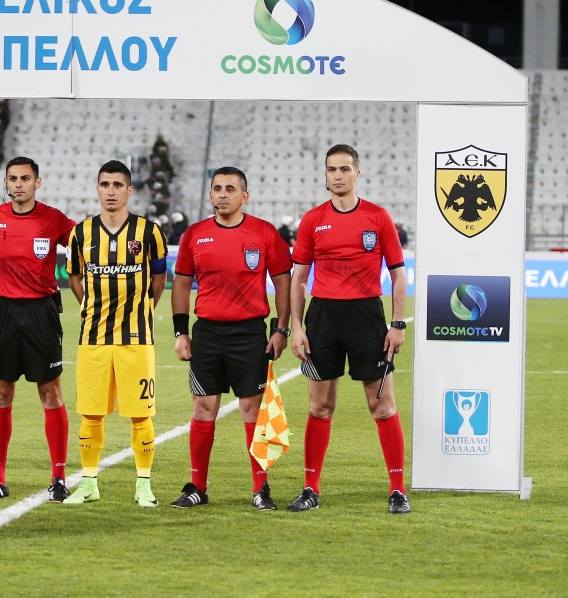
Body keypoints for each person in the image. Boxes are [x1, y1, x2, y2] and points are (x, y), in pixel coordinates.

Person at [287, 144, 411, 514]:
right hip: (323, 318)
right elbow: (299, 279)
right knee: (320, 406)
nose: (338, 175)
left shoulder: (378, 217)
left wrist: (397, 324)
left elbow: (398, 274)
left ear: (357, 173)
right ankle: (310, 489)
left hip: (367, 316)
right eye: (332, 169)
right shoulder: (313, 220)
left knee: (382, 406)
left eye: (344, 169)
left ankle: (397, 490)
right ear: (325, 175)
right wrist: (296, 327)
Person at [168, 167, 293, 510]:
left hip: (249, 334)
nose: (222, 194)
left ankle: (260, 489)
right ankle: (197, 487)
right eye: (217, 188)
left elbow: (283, 281)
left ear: (244, 196)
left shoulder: (264, 233)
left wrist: (281, 329)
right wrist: (181, 332)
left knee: (252, 411)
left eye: (230, 189)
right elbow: (181, 283)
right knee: (203, 408)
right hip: (207, 334)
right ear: (210, 194)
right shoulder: (195, 234)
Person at [0, 157, 77, 503]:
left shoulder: (53, 218)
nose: (18, 184)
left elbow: (86, 240)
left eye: (25, 178)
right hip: (2, 312)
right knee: (1, 394)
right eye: (13, 178)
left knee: (51, 393)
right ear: (6, 182)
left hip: (41, 313)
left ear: (37, 183)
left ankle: (58, 478)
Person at [63, 160, 168, 508]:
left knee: (141, 414)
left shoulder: (149, 232)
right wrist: (89, 306)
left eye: (118, 185)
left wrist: (145, 307)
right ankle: (89, 483)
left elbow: (159, 278)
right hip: (93, 338)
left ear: (129, 190)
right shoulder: (80, 233)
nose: (111, 191)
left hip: (136, 338)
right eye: (105, 185)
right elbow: (74, 276)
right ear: (97, 189)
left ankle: (143, 485)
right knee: (91, 413)